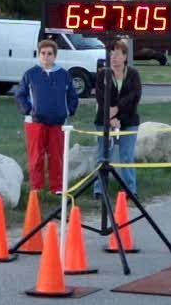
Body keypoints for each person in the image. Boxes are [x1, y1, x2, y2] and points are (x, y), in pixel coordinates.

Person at [16, 39, 79, 194]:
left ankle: (57, 187)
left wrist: (67, 111)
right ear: (39, 55)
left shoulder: (63, 75)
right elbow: (20, 95)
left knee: (56, 156)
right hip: (35, 122)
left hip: (58, 122)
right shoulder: (30, 74)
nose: (46, 56)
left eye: (49, 53)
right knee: (36, 156)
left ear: (54, 56)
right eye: (43, 53)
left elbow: (72, 96)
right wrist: (29, 110)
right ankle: (36, 187)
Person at [93, 39, 142, 197]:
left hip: (128, 120)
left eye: (117, 54)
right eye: (111, 54)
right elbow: (101, 97)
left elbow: (134, 96)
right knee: (102, 155)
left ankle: (130, 190)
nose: (113, 57)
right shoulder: (103, 74)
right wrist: (110, 117)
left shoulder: (133, 74)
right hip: (104, 120)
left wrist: (118, 111)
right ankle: (99, 189)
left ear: (125, 56)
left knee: (126, 156)